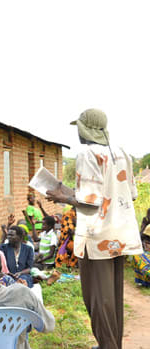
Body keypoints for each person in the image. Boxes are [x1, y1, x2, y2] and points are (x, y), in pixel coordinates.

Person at [46, 109, 142, 349]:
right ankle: (111, 344)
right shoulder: (121, 153)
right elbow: (130, 194)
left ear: (85, 128)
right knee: (113, 298)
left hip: (96, 236)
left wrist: (63, 198)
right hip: (119, 235)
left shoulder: (87, 154)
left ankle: (107, 346)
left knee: (98, 299)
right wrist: (70, 193)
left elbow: (90, 201)